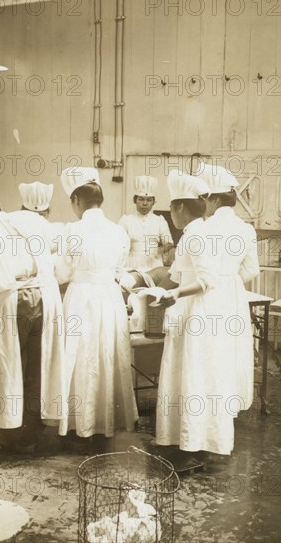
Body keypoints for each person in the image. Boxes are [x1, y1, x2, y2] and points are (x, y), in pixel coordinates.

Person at [0, 193, 67, 455]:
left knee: (2, 368)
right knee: (39, 365)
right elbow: (58, 244)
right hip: (47, 296)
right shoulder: (28, 218)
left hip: (13, 299)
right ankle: (29, 435)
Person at [154, 170, 242, 456]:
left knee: (197, 374)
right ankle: (184, 438)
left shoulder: (198, 235)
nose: (171, 215)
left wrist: (175, 294)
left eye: (171, 209)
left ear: (179, 207)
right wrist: (144, 284)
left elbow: (205, 280)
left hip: (200, 314)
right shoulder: (192, 233)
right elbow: (176, 275)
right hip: (189, 311)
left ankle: (197, 442)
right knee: (186, 373)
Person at [56, 167, 138, 441]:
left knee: (80, 356)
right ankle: (106, 423)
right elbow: (120, 269)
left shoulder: (72, 230)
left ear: (76, 201)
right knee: (106, 354)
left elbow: (63, 273)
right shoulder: (117, 231)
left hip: (81, 297)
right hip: (109, 297)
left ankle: (81, 425)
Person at [197, 161, 260, 413]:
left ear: (211, 199)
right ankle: (227, 405)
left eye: (202, 198)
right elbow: (253, 269)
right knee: (230, 348)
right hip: (233, 293)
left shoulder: (202, 228)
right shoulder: (245, 229)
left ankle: (205, 405)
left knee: (207, 348)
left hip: (207, 292)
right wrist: (230, 279)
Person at [119, 175, 174, 271]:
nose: (145, 203)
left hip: (154, 264)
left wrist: (157, 252)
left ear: (153, 202)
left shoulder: (159, 220)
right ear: (135, 200)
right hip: (131, 263)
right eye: (141, 199)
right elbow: (118, 244)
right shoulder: (126, 220)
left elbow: (169, 243)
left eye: (149, 200)